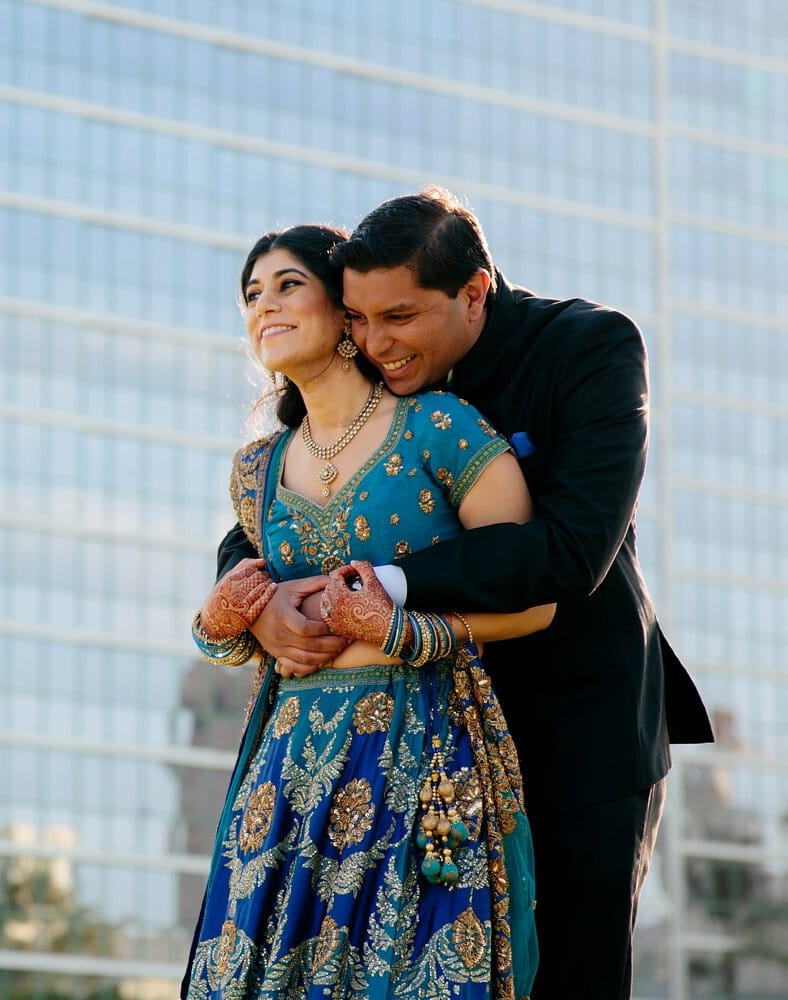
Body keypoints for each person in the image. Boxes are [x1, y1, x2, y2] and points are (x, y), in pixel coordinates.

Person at [214, 188, 714, 998]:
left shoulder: (588, 347)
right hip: (419, 739)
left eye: (400, 319)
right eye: (360, 319)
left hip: (573, 725)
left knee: (566, 971)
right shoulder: (375, 369)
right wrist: (260, 602)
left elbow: (570, 553)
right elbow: (268, 508)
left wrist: (380, 585)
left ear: (474, 292)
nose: (376, 343)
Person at [183, 224, 552, 998]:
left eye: (287, 285)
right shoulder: (256, 471)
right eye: (251, 294)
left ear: (345, 312)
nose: (264, 306)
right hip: (287, 771)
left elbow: (536, 597)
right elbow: (241, 618)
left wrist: (402, 631)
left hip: (419, 750)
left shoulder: (440, 428)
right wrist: (235, 622)